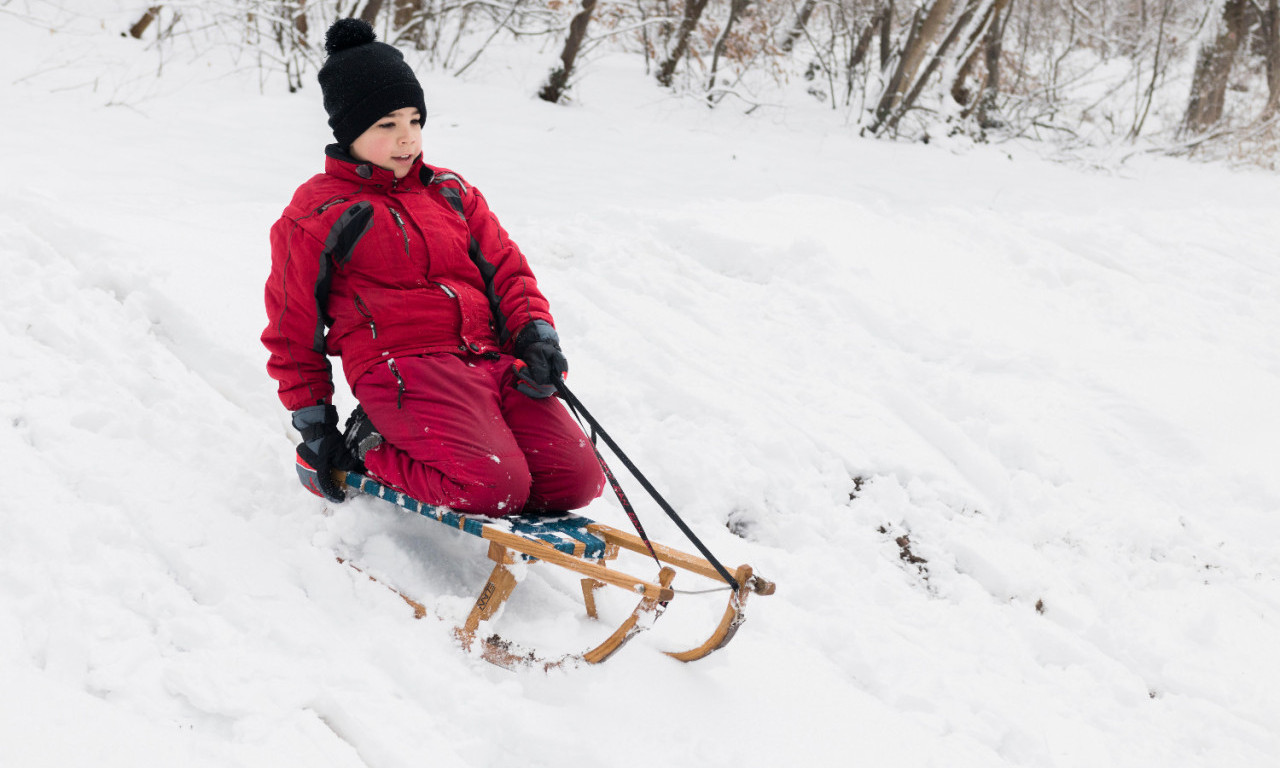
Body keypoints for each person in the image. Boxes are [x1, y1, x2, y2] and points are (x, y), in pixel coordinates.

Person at [261, 17, 605, 517]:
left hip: (487, 360)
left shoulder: (451, 191)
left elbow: (507, 272)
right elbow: (292, 330)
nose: (407, 138)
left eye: (414, 121)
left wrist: (536, 335)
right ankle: (370, 442)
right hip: (402, 371)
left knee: (575, 482)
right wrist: (316, 427)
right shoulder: (318, 214)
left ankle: (480, 445)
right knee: (494, 490)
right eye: (387, 125)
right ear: (349, 130)